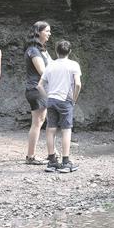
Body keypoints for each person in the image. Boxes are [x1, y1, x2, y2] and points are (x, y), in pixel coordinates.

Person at [37, 39, 81, 173]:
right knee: (66, 130)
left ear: (56, 51)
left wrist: (48, 97)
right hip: (65, 101)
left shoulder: (50, 65)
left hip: (52, 100)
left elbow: (39, 85)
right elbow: (78, 84)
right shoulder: (73, 65)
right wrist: (73, 99)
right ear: (70, 51)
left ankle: (52, 162)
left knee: (50, 130)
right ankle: (66, 162)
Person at [23, 21, 53, 166]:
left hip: (40, 90)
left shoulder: (41, 50)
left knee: (42, 121)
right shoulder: (33, 50)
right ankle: (30, 157)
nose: (49, 34)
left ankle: (51, 153)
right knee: (37, 123)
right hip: (36, 89)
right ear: (38, 32)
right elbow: (43, 71)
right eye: (47, 31)